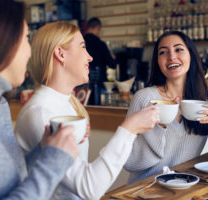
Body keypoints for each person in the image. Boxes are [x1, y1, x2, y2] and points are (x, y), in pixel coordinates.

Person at [14, 21, 160, 200]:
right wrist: (129, 129)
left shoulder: (66, 104)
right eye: (83, 47)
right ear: (60, 54)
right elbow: (89, 188)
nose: (90, 57)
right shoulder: (41, 112)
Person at [0, 0, 79, 199]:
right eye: (26, 39)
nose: (30, 52)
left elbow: (9, 184)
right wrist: (53, 163)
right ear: (0, 42)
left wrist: (42, 151)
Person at [124, 31, 208, 183]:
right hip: (145, 188)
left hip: (185, 186)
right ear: (157, 61)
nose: (171, 57)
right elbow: (129, 162)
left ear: (191, 55)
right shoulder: (145, 98)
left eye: (178, 49)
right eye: (163, 52)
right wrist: (159, 127)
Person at [84, 17, 116, 105]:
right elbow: (112, 64)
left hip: (82, 86)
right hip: (98, 86)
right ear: (98, 28)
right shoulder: (100, 44)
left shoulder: (80, 42)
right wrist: (112, 57)